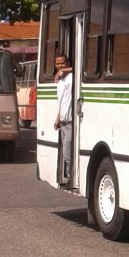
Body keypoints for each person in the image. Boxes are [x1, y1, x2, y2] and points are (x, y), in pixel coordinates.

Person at [53, 54, 73, 187]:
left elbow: (78, 69)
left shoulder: (72, 77)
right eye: (58, 64)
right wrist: (57, 119)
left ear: (67, 63)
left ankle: (69, 178)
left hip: (71, 122)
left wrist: (65, 70)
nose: (60, 66)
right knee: (65, 151)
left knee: (68, 151)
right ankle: (66, 177)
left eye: (62, 63)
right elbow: (62, 103)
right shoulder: (60, 81)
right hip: (63, 122)